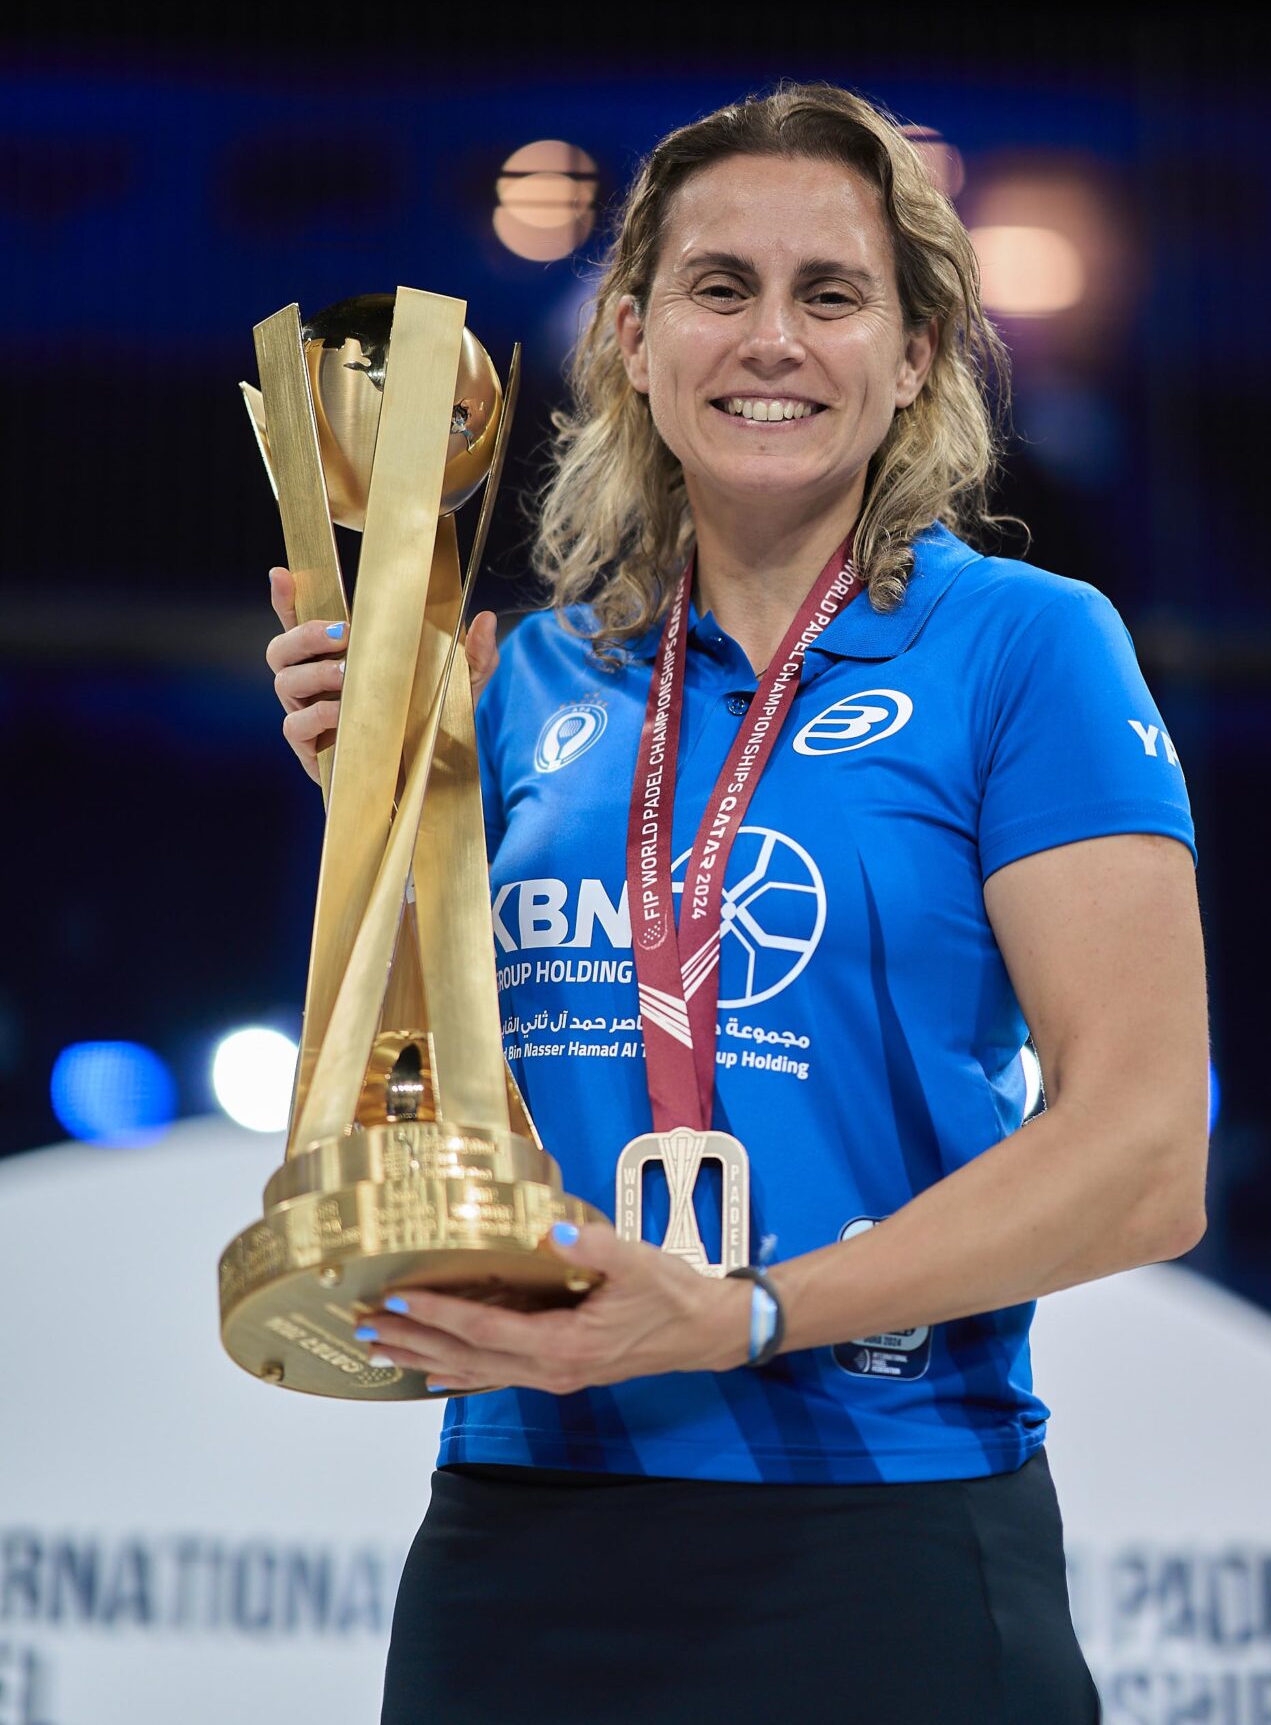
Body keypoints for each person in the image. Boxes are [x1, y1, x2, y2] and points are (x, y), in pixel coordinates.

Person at [266, 83, 1208, 1725]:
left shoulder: (1022, 647)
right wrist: (383, 835)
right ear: (633, 342)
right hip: (522, 1528)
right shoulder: (528, 679)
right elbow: (460, 1110)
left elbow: (1142, 1157)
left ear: (912, 356)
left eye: (828, 294)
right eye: (719, 288)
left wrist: (745, 1315)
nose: (771, 338)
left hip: (885, 1528)